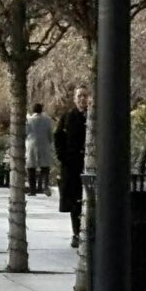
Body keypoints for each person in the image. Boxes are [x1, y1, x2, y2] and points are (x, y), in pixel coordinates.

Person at [55, 85, 89, 249]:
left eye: (85, 96)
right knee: (75, 201)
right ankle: (76, 233)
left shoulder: (94, 117)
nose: (82, 99)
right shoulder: (68, 117)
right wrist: (63, 157)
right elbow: (58, 137)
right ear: (75, 99)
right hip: (72, 165)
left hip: (89, 165)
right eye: (79, 96)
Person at [25, 103, 54, 196]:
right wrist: (50, 142)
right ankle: (44, 186)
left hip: (31, 145)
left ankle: (32, 190)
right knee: (45, 167)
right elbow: (50, 133)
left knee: (31, 168)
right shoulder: (47, 120)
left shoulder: (29, 120)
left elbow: (26, 132)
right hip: (44, 145)